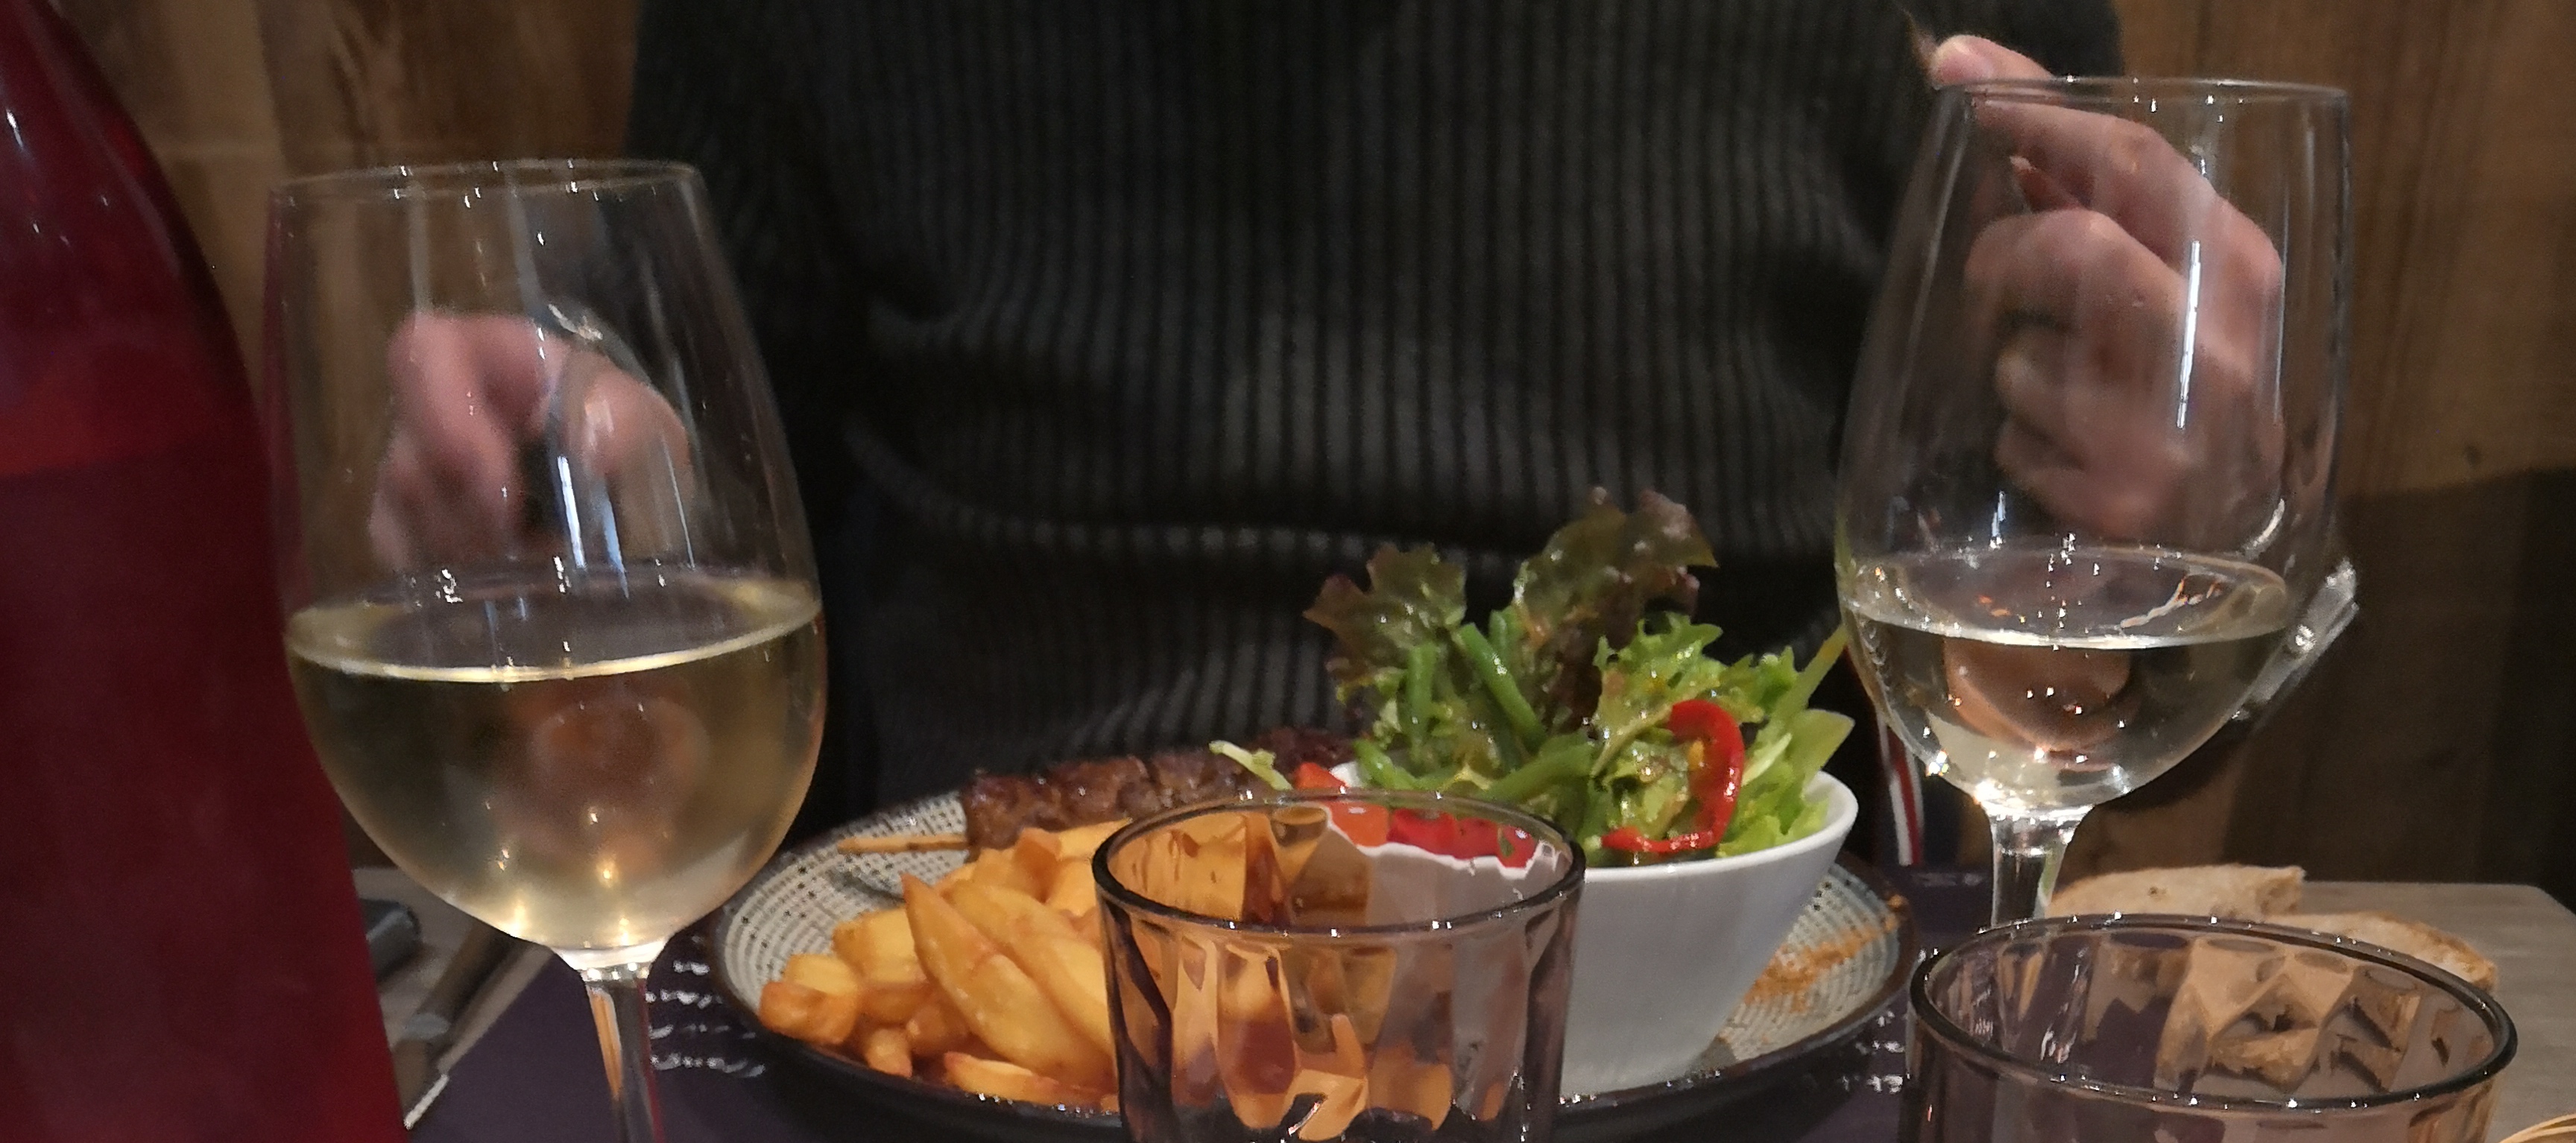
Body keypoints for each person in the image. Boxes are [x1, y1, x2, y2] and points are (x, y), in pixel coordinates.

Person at [624, 2, 2120, 820]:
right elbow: (701, 515)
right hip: (949, 1044)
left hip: (1734, 1009)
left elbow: (2056, 651)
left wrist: (2153, 548)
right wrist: (587, 491)